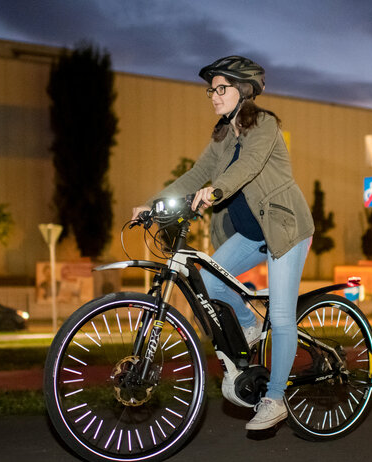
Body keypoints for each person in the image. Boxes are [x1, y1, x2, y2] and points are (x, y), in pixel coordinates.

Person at [132, 56, 314, 431]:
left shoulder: (264, 125)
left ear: (243, 90)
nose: (213, 96)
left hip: (285, 227)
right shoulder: (221, 135)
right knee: (211, 281)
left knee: (280, 316)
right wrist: (154, 204)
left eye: (221, 89)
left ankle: (275, 398)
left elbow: (247, 166)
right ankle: (248, 325)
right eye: (210, 90)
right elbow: (197, 172)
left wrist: (215, 191)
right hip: (250, 233)